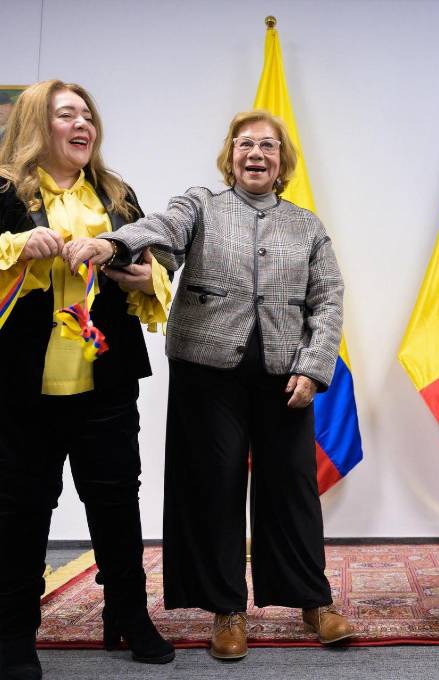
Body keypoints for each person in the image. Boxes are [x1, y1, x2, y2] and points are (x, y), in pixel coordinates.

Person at [63, 110, 353, 659]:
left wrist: (315, 367)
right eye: (245, 144)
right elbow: (162, 231)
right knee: (214, 487)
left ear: (282, 161)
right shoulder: (200, 205)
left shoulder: (307, 225)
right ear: (230, 156)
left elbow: (329, 300)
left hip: (284, 372)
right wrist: (112, 244)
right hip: (206, 371)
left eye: (268, 145)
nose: (256, 154)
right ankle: (227, 610)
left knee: (291, 488)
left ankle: (313, 602)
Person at [0, 80, 175, 680]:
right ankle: (14, 633)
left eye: (87, 115)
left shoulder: (117, 193)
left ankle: (126, 614)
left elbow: (153, 263)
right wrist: (20, 246)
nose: (83, 125)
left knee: (115, 499)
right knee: (20, 510)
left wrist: (140, 277)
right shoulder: (3, 192)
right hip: (21, 385)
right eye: (65, 114)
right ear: (35, 125)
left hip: (104, 372)